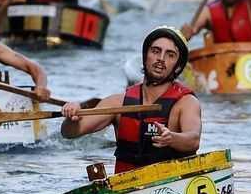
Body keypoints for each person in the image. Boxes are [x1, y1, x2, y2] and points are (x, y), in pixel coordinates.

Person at [61, 26, 201, 173]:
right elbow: (69, 133)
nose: (161, 58)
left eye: (170, 55)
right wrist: (72, 116)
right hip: (127, 189)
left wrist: (171, 138)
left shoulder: (187, 103)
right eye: (155, 51)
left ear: (178, 67)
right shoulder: (117, 103)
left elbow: (193, 140)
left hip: (170, 188)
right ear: (145, 56)